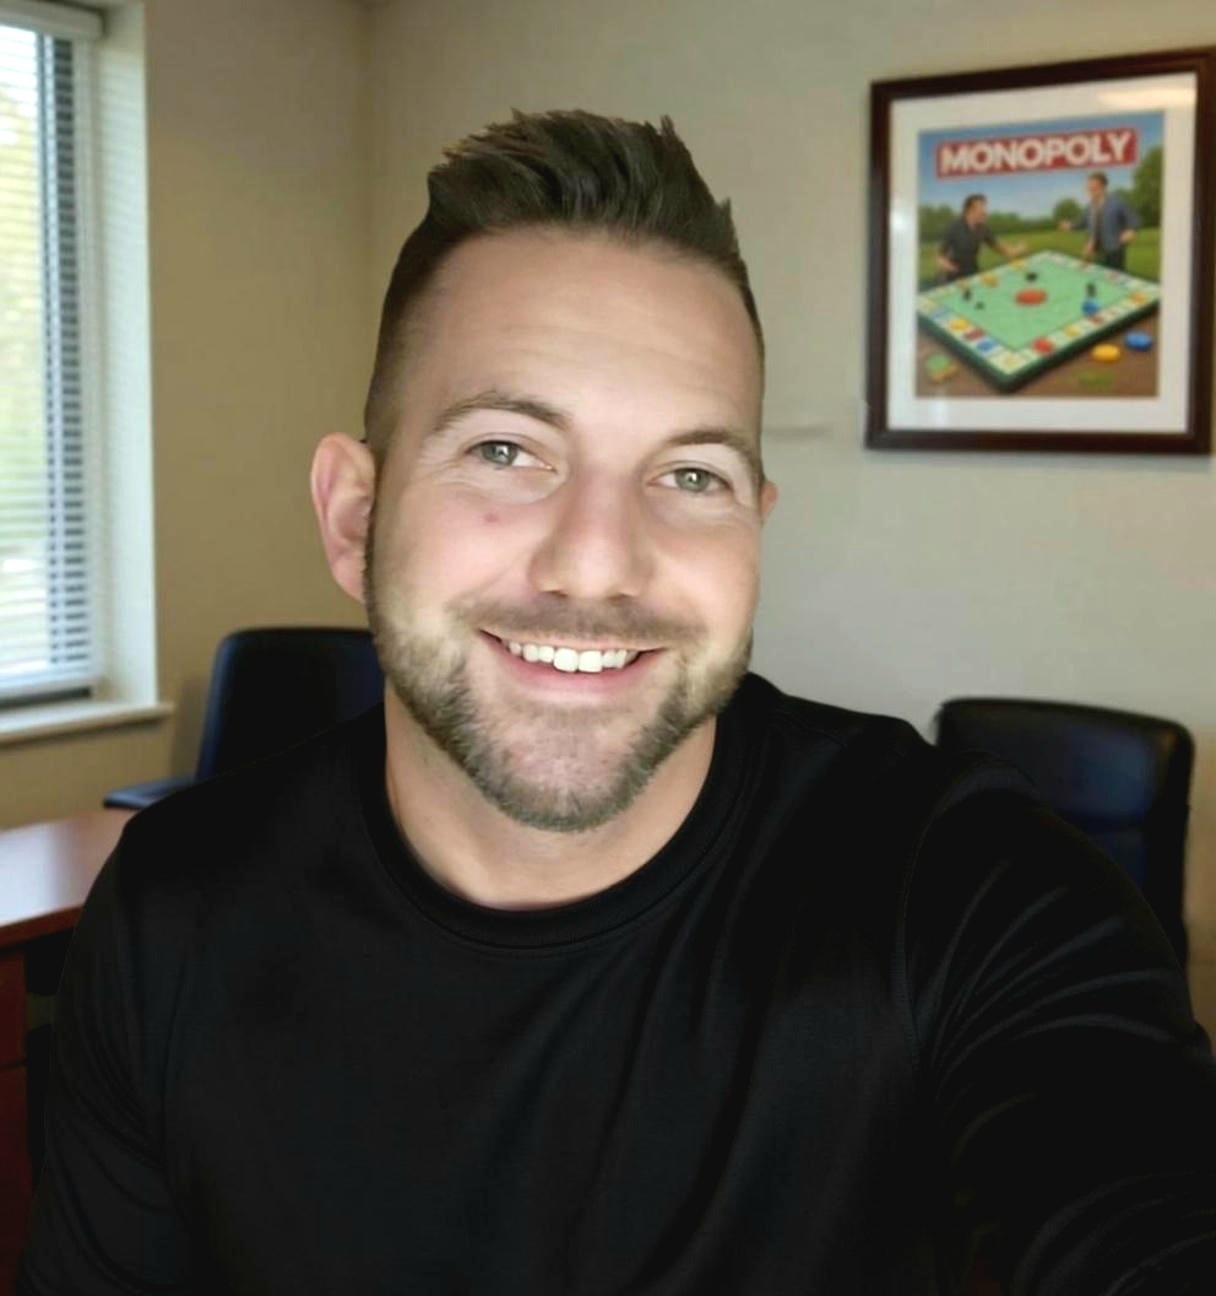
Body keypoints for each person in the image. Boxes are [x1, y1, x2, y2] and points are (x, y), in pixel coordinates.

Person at [20, 111, 1216, 1295]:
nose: (596, 563)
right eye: (505, 451)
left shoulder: (966, 892)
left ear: (755, 528)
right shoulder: (176, 912)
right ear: (354, 517)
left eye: (690, 475)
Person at [935, 193, 1026, 281]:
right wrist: (948, 266)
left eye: (985, 208)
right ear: (969, 210)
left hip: (973, 273)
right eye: (981, 208)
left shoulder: (983, 229)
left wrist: (1016, 250)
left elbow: (1000, 247)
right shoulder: (954, 228)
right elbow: (940, 257)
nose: (985, 212)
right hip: (953, 277)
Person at [1060, 170, 1139, 269]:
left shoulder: (1118, 203)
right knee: (1097, 274)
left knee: (1114, 276)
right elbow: (1081, 223)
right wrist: (1070, 226)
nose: (1091, 192)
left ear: (1104, 188)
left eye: (1094, 188)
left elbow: (1133, 219)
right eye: (1089, 189)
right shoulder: (1089, 208)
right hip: (1095, 251)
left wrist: (1131, 231)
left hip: (1114, 251)